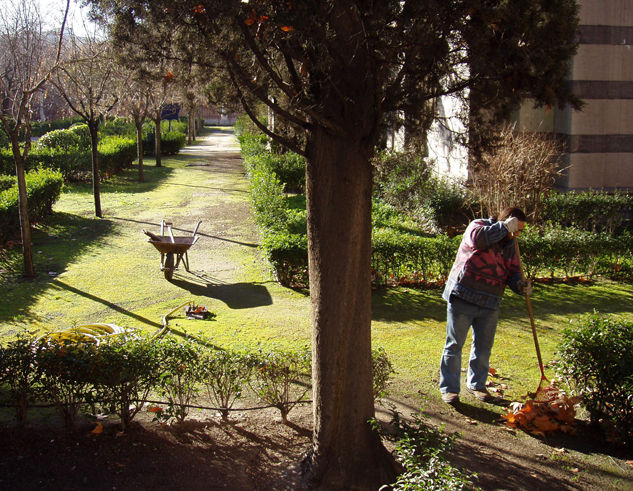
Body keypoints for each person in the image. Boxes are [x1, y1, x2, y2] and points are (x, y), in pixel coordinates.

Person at [439, 207, 532, 405]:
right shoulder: (479, 226)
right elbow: (479, 240)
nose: (516, 235)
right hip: (463, 296)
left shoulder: (511, 245)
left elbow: (514, 272)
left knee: (483, 348)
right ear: (506, 222)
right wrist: (504, 228)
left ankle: (477, 384)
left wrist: (520, 285)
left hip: (490, 302)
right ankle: (449, 389)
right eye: (515, 229)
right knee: (454, 345)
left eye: (519, 231)